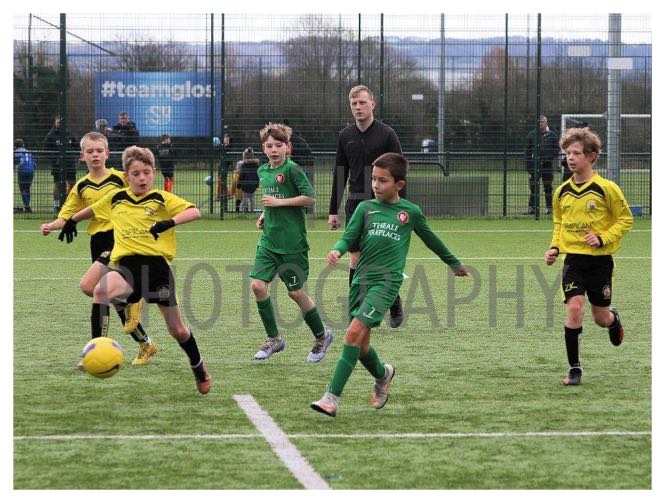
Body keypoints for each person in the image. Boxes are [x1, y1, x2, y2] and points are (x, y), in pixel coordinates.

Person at [311, 153, 469, 417]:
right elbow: (349, 236)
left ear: (399, 184)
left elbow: (431, 240)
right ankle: (383, 374)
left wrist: (453, 263)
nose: (375, 185)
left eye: (382, 180)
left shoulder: (410, 213)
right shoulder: (365, 208)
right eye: (373, 179)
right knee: (360, 346)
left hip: (385, 283)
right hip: (360, 281)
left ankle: (331, 398)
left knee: (351, 334)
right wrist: (337, 249)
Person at [58, 146, 211, 394]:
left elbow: (194, 211)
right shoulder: (116, 198)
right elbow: (93, 209)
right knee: (101, 290)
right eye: (136, 174)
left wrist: (168, 222)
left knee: (177, 330)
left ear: (154, 173)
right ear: (126, 176)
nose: (142, 178)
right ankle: (96, 349)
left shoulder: (161, 198)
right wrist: (71, 221)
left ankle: (198, 365)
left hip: (157, 271)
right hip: (127, 269)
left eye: (146, 173)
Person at [40, 132, 157, 366]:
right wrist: (51, 225)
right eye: (90, 151)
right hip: (97, 242)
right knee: (105, 295)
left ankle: (96, 352)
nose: (95, 155)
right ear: (82, 156)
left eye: (99, 150)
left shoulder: (119, 178)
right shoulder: (81, 186)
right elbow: (67, 215)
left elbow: (142, 191)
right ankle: (146, 343)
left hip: (119, 238)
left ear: (107, 153)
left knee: (90, 286)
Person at [544, 127, 633, 386]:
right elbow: (559, 223)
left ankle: (613, 320)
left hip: (600, 262)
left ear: (591, 156)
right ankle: (575, 369)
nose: (570, 158)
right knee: (574, 308)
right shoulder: (562, 192)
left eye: (576, 153)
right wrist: (555, 247)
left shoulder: (607, 188)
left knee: (600, 318)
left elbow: (625, 219)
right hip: (573, 261)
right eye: (567, 153)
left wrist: (602, 238)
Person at [250, 122, 333, 363]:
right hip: (269, 242)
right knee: (258, 286)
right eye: (269, 146)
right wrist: (265, 214)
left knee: (295, 293)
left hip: (292, 244)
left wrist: (280, 203)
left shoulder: (293, 170)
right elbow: (271, 200)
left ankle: (322, 336)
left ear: (288, 147)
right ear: (263, 149)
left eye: (279, 145)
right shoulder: (262, 171)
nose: (274, 150)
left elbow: (310, 198)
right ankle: (274, 339)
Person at [328, 84, 406, 328]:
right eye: (354, 103)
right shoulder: (345, 136)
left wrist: (401, 206)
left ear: (372, 104)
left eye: (362, 102)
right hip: (355, 204)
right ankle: (357, 310)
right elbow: (340, 173)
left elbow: (400, 170)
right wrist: (333, 210)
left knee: (379, 258)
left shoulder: (387, 134)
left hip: (384, 205)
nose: (358, 107)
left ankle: (394, 302)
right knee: (356, 257)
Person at [524, 115, 560, 215]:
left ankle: (549, 208)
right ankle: (532, 208)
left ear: (546, 123)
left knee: (548, 186)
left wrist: (549, 157)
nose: (540, 124)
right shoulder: (532, 135)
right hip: (534, 165)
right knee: (533, 186)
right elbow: (527, 151)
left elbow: (556, 149)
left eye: (542, 122)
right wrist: (529, 167)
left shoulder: (552, 135)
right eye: (539, 122)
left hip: (547, 165)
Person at [43, 116, 78, 211]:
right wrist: (55, 159)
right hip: (57, 165)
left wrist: (76, 156)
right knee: (58, 184)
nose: (60, 124)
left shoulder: (70, 134)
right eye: (58, 122)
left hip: (70, 164)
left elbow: (76, 147)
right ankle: (56, 205)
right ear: (55, 123)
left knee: (72, 184)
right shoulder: (50, 135)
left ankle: (70, 204)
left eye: (61, 122)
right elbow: (45, 150)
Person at [14, 138, 36, 213]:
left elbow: (16, 161)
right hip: (31, 170)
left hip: (22, 171)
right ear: (23, 144)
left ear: (15, 146)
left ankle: (27, 206)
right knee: (27, 188)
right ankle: (27, 206)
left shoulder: (16, 152)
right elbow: (34, 163)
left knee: (22, 189)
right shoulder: (28, 151)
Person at [237, 147, 260, 213]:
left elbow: (241, 175)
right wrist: (257, 184)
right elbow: (257, 175)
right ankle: (251, 210)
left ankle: (243, 210)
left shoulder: (243, 164)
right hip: (252, 184)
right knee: (251, 199)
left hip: (245, 184)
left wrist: (239, 185)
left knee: (245, 199)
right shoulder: (255, 164)